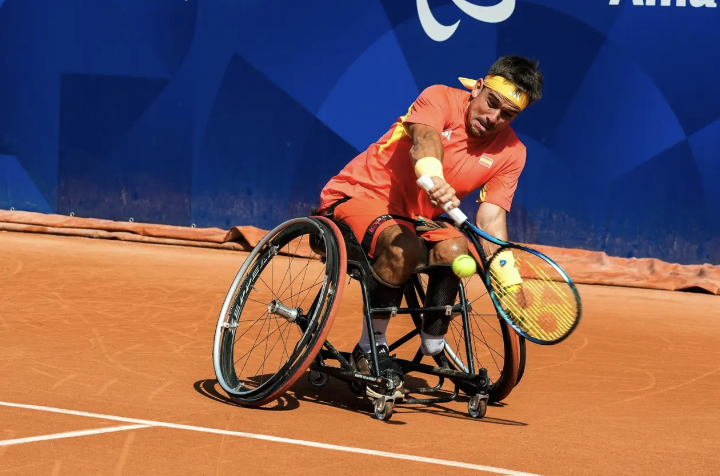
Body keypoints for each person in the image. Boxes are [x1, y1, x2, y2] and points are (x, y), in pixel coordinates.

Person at [315, 55, 543, 399]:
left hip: (418, 218)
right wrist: (433, 176)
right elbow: (424, 140)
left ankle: (435, 342)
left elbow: (491, 221)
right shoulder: (438, 97)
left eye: (507, 115)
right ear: (478, 87)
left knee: (458, 250)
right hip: (361, 195)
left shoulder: (513, 152)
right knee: (403, 246)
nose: (493, 118)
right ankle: (370, 347)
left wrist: (510, 284)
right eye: (491, 103)